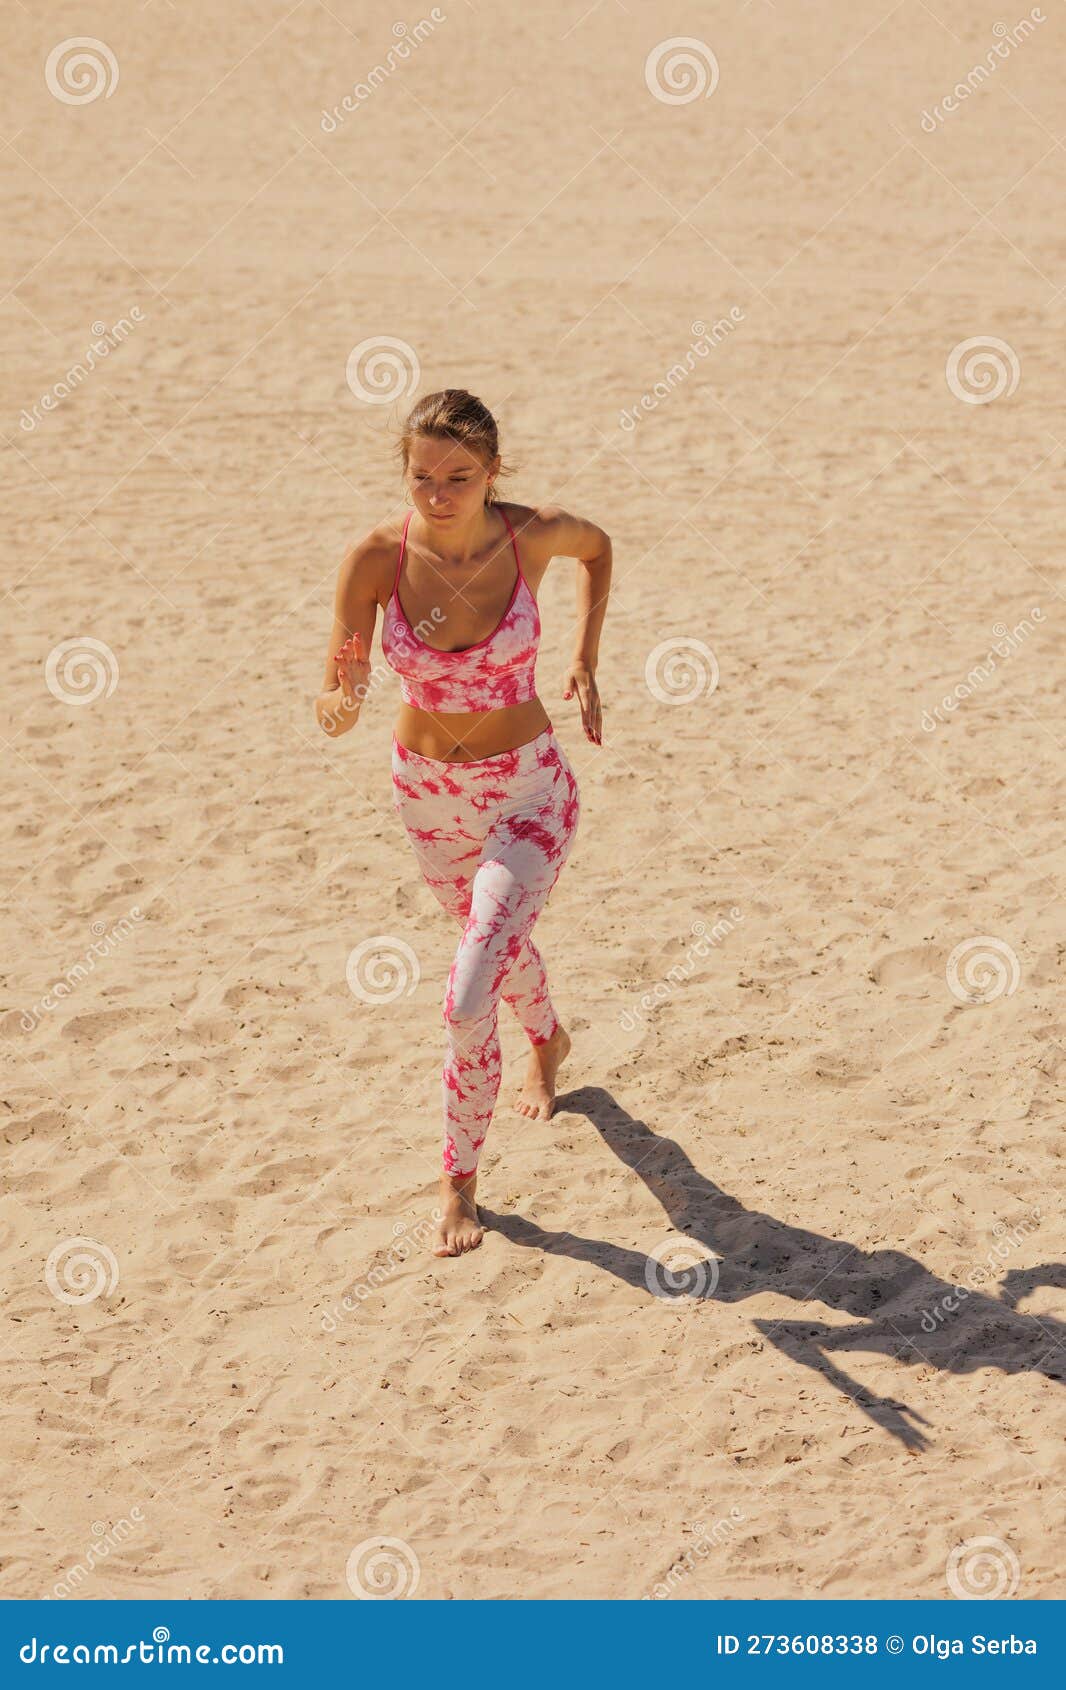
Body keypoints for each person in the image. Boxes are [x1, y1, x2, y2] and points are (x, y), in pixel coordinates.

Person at [315, 389, 611, 1257]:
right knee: (497, 943)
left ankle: (460, 1185)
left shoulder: (532, 535)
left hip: (528, 792)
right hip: (428, 800)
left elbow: (599, 550)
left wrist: (584, 658)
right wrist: (341, 702)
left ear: (493, 473)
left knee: (467, 989)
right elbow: (333, 696)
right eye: (421, 477)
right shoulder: (374, 556)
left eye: (459, 477)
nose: (437, 493)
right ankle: (549, 1039)